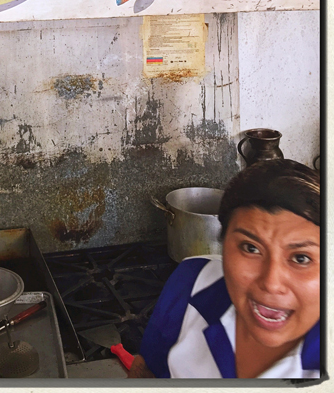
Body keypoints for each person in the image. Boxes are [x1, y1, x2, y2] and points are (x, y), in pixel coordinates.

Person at [129, 159, 320, 378]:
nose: (271, 283)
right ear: (223, 243)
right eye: (251, 248)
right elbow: (146, 372)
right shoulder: (193, 281)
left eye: (301, 258)